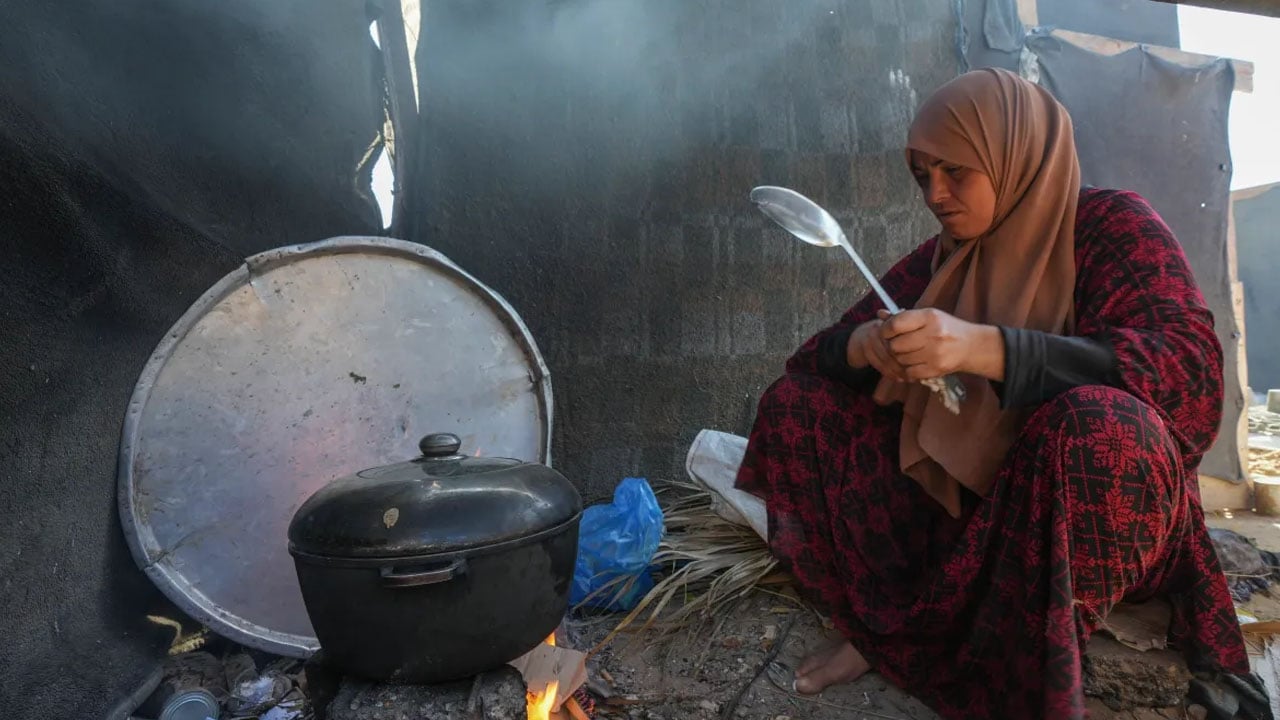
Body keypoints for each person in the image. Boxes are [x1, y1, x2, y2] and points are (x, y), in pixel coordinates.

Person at [735, 67, 1251, 718]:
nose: (936, 194)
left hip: (1101, 518)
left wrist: (988, 348)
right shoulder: (942, 262)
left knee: (1097, 427)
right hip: (961, 529)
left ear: (1015, 156)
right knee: (798, 408)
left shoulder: (1109, 227)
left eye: (957, 171)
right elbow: (811, 364)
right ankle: (896, 621)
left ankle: (917, 640)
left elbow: (1189, 376)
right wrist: (867, 346)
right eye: (923, 176)